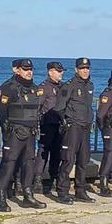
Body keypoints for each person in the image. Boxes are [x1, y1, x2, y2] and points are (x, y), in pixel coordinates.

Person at [0, 59, 46, 212]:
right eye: (25, 69)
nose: (29, 72)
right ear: (17, 70)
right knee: (9, 162)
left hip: (30, 132)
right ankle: (1, 196)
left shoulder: (34, 88)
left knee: (29, 163)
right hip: (14, 132)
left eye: (31, 69)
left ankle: (27, 194)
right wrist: (6, 124)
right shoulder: (8, 87)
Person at [54, 58, 96, 205]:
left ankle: (80, 190)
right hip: (73, 128)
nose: (85, 71)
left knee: (83, 160)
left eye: (87, 68)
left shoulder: (90, 85)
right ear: (76, 69)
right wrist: (65, 121)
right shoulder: (69, 85)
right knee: (68, 160)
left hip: (85, 127)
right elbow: (59, 107)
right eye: (82, 68)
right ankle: (63, 191)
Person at [38, 61, 66, 194]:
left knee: (57, 154)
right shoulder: (44, 87)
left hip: (60, 125)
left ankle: (52, 178)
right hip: (47, 124)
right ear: (50, 72)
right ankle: (38, 179)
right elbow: (38, 107)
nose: (61, 73)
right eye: (58, 71)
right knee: (43, 152)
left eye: (62, 71)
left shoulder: (63, 87)